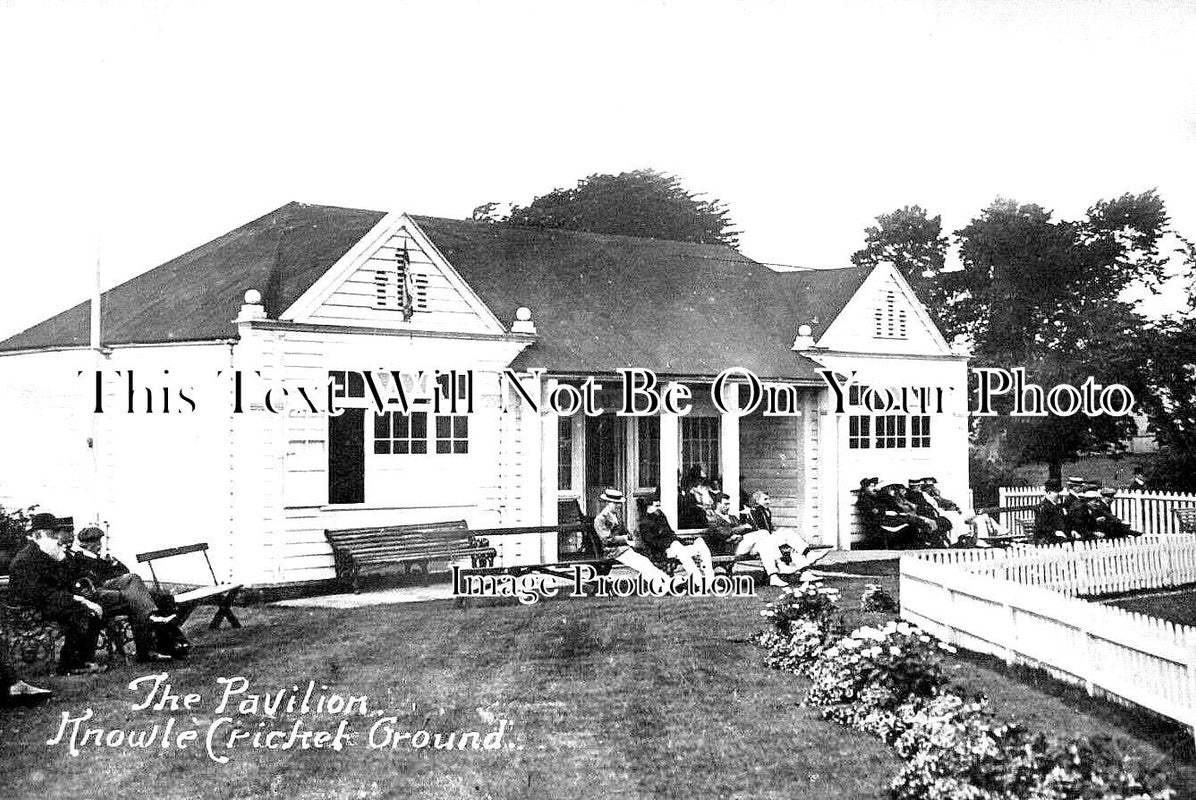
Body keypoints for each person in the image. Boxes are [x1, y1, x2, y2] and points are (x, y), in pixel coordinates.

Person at [8, 514, 105, 676]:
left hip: (44, 602)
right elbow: (41, 593)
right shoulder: (27, 558)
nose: (57, 538)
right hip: (29, 610)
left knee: (91, 608)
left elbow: (63, 583)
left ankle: (84, 659)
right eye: (53, 534)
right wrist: (80, 600)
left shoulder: (44, 554)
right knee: (82, 612)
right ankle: (70, 664)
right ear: (39, 535)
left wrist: (62, 560)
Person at [71, 526, 179, 662]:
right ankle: (151, 636)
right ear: (84, 544)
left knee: (160, 597)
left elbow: (124, 572)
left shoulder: (104, 558)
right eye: (94, 542)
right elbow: (89, 583)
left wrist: (113, 562)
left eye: (99, 541)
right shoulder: (79, 559)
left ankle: (167, 646)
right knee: (134, 581)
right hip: (101, 596)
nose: (98, 545)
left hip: (118, 593)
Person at [707, 492, 791, 587]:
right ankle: (780, 563)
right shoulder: (713, 519)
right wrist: (740, 530)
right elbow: (723, 533)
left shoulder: (732, 517)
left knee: (764, 545)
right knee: (763, 533)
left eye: (729, 504)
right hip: (730, 548)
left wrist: (740, 531)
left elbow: (746, 530)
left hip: (743, 545)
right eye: (725, 504)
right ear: (718, 504)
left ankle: (773, 576)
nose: (728, 506)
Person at [592, 489, 671, 583]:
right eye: (615, 503)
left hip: (624, 548)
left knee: (646, 560)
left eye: (619, 504)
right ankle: (664, 582)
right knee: (643, 563)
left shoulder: (616, 516)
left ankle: (664, 581)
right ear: (608, 502)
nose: (618, 506)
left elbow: (625, 532)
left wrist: (631, 538)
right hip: (612, 551)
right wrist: (625, 539)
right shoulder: (600, 519)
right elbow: (606, 539)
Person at [742, 490, 828, 574]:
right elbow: (758, 531)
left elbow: (769, 528)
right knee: (786, 533)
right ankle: (806, 556)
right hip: (760, 544)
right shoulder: (753, 512)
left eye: (769, 499)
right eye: (765, 499)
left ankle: (806, 564)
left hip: (768, 541)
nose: (769, 501)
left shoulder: (765, 511)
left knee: (788, 535)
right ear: (757, 501)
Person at [636, 496, 714, 583]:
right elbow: (651, 542)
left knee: (700, 543)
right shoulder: (644, 524)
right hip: (662, 552)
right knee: (677, 547)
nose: (659, 508)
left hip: (674, 548)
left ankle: (710, 579)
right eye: (657, 506)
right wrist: (671, 543)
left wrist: (683, 542)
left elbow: (671, 534)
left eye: (659, 506)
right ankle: (697, 579)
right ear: (648, 508)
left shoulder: (661, 517)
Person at [1032, 479, 1074, 544]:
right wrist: (1055, 532)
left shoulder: (1058, 506)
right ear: (1049, 493)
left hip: (1059, 536)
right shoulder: (1043, 507)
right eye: (1056, 492)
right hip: (1046, 538)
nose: (1059, 495)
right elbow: (1042, 526)